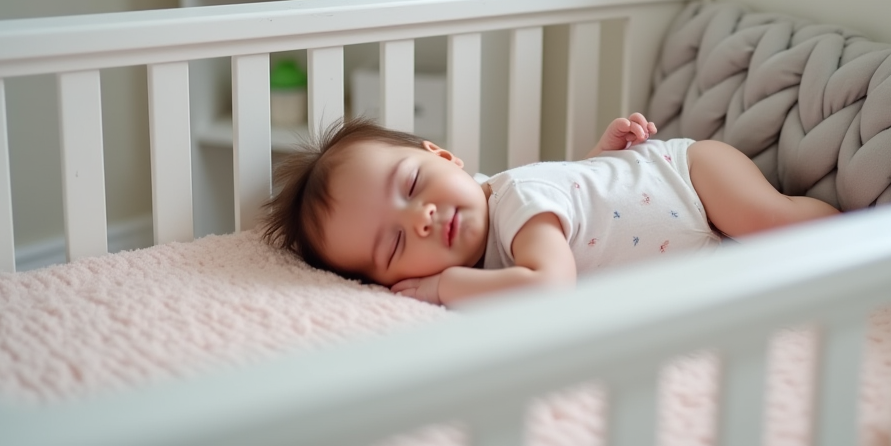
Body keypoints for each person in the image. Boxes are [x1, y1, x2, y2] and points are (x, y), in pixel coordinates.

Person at [262, 114, 838, 307]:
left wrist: (445, 287)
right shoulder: (499, 239)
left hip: (689, 181)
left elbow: (550, 284)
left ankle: (865, 232)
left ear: (443, 156)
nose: (421, 218)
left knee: (776, 226)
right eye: (392, 245)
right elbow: (575, 211)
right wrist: (597, 164)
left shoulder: (509, 205)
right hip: (664, 216)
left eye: (413, 183)